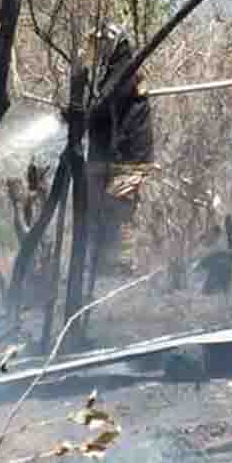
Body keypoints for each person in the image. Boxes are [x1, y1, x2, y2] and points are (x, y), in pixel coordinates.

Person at [86, 23, 154, 275]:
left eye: (101, 43)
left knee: (120, 209)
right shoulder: (113, 69)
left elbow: (105, 105)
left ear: (112, 42)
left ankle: (123, 266)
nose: (98, 49)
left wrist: (82, 114)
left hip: (129, 155)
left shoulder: (125, 70)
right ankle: (105, 264)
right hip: (116, 153)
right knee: (104, 208)